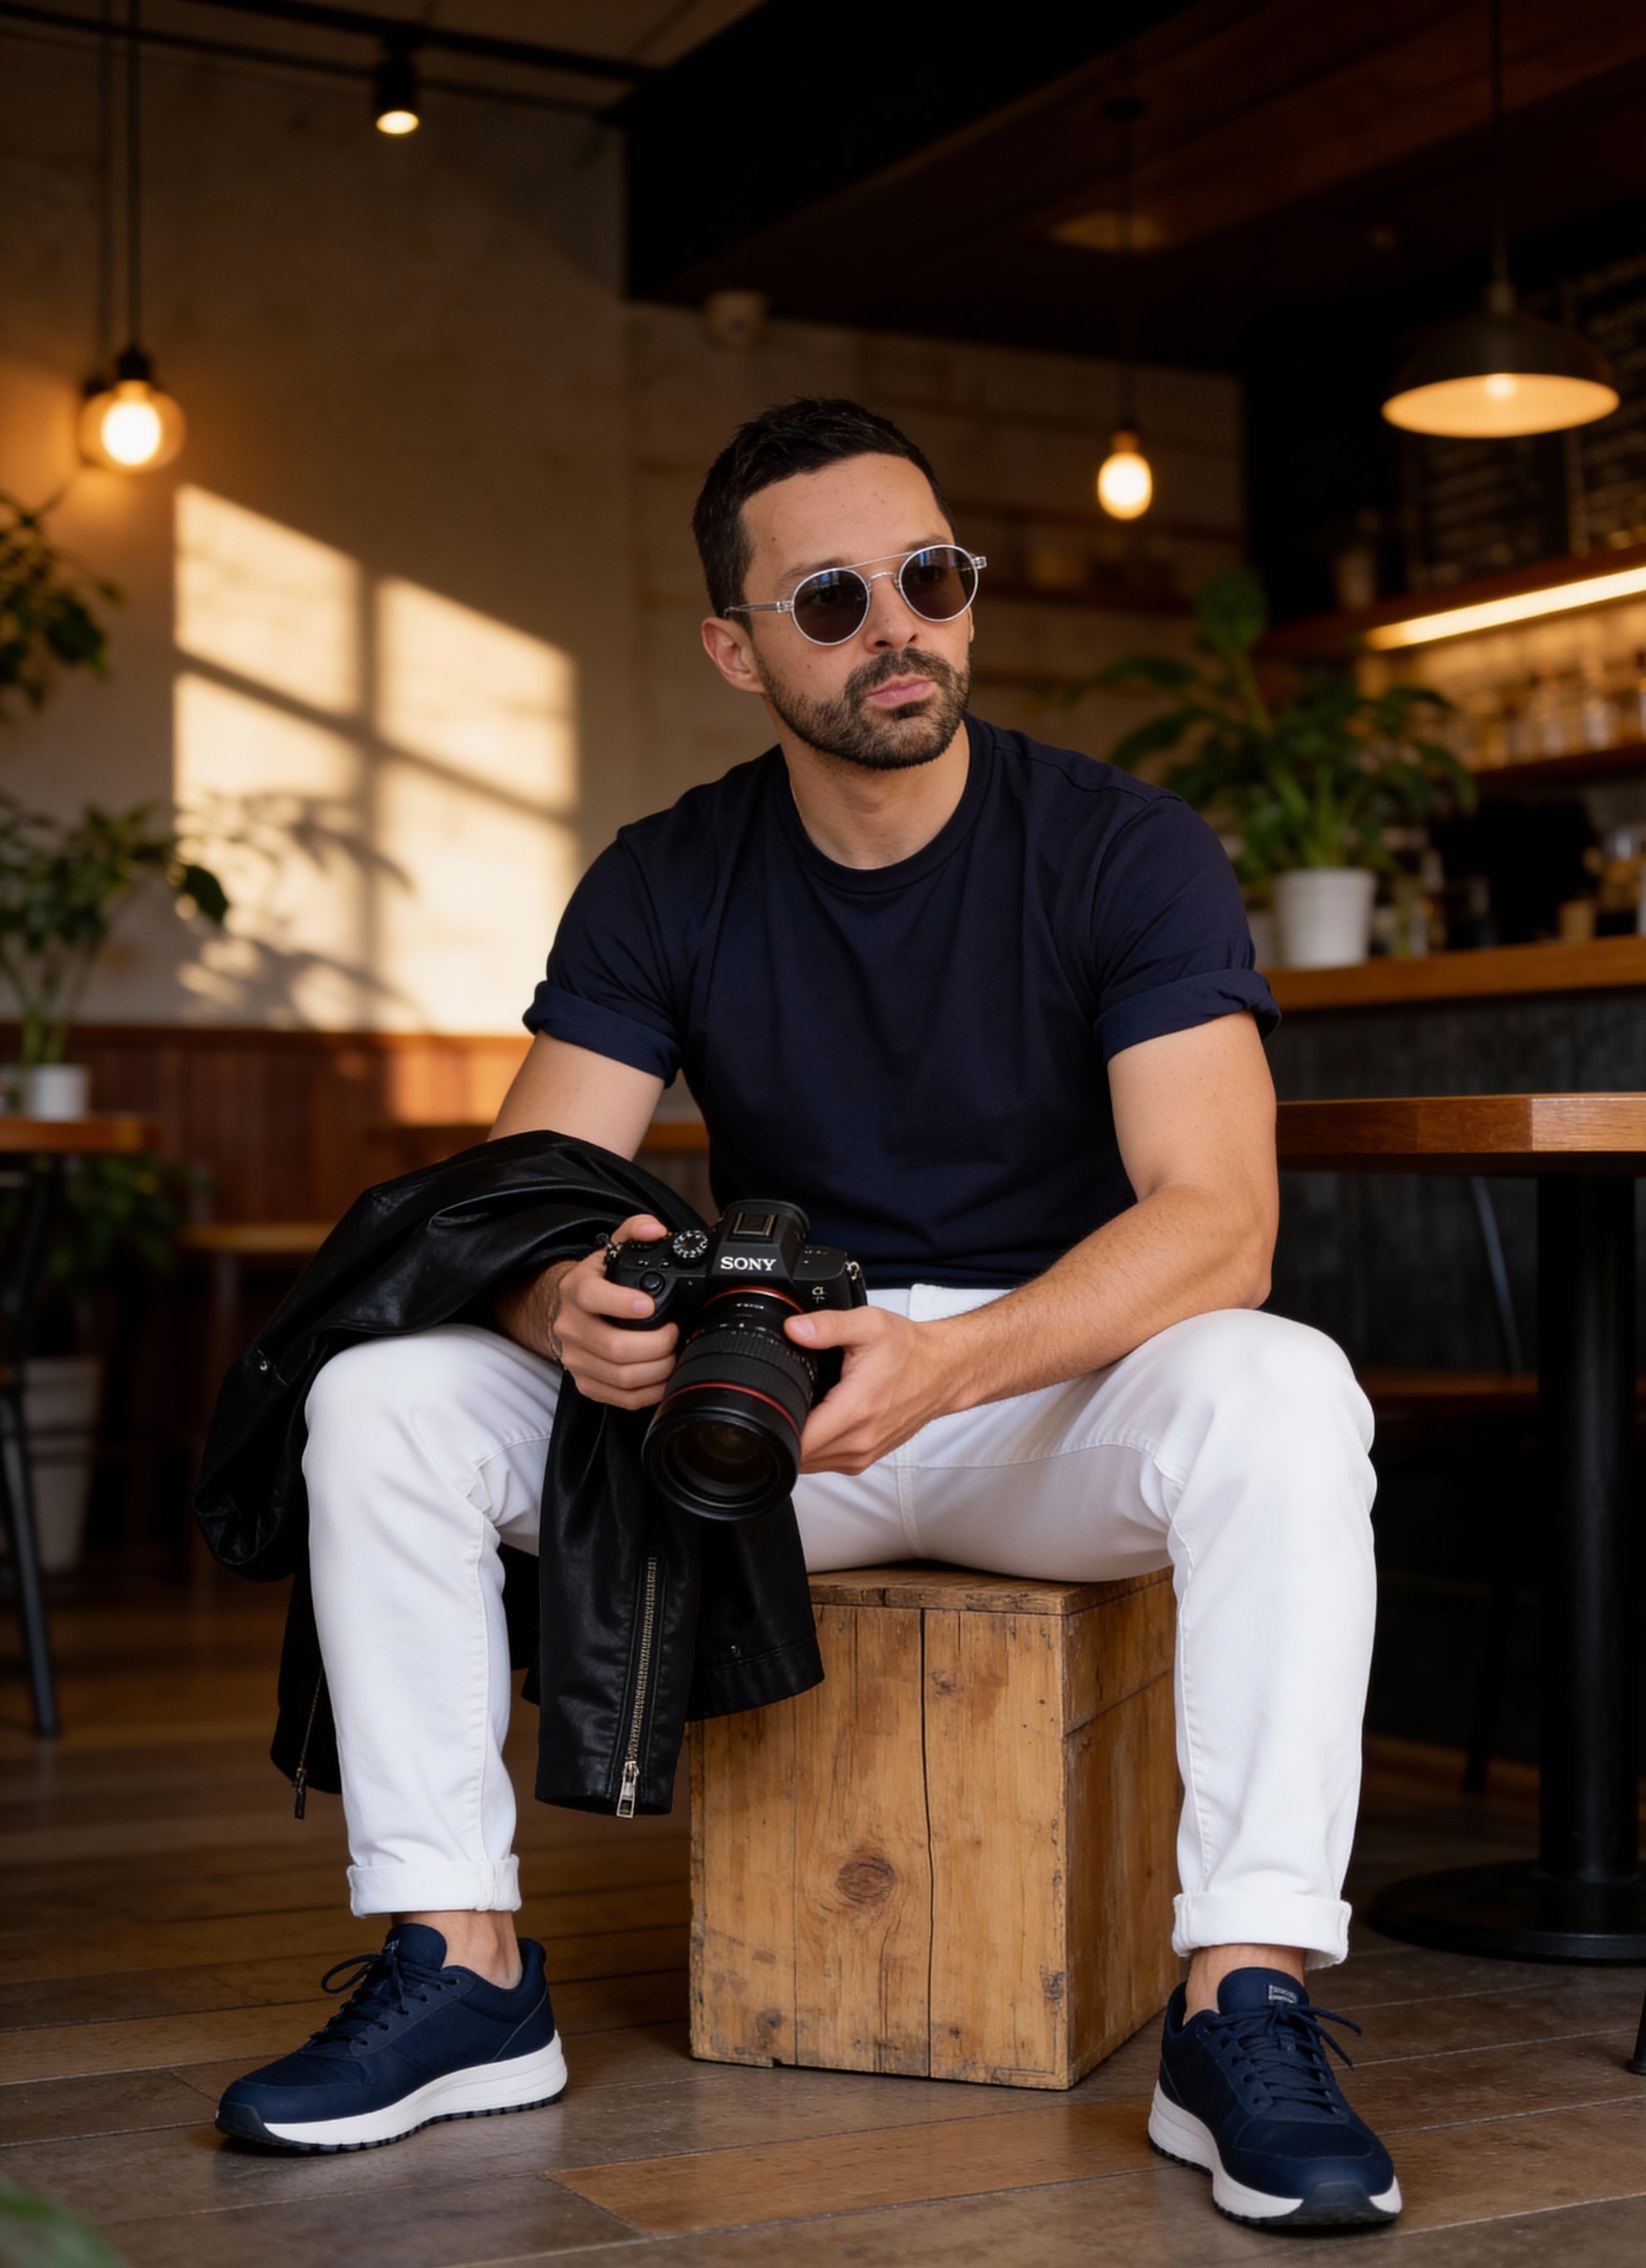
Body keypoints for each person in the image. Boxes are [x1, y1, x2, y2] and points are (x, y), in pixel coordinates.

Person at [216, 397, 1397, 2231]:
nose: (897, 627)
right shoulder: (668, 875)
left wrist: (959, 1363)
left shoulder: (1121, 848)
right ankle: (459, 1968)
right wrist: (551, 1305)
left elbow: (1217, 1223)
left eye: (929, 578)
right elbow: (522, 1194)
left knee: (1284, 1385)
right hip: (771, 1420)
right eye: (831, 600)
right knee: (380, 1402)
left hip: (1037, 1407)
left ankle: (1241, 1998)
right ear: (735, 645)